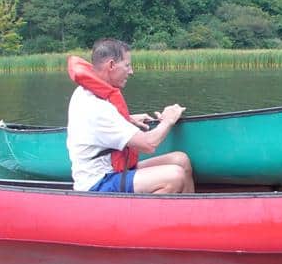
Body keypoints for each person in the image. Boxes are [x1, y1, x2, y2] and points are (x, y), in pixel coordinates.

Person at [66, 38, 194, 194]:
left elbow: (98, 124)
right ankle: (142, 218)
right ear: (111, 65)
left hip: (114, 171)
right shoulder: (96, 107)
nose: (131, 71)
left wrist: (128, 119)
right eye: (127, 65)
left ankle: (189, 216)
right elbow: (149, 144)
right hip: (98, 183)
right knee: (174, 176)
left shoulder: (84, 92)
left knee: (181, 160)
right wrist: (168, 120)